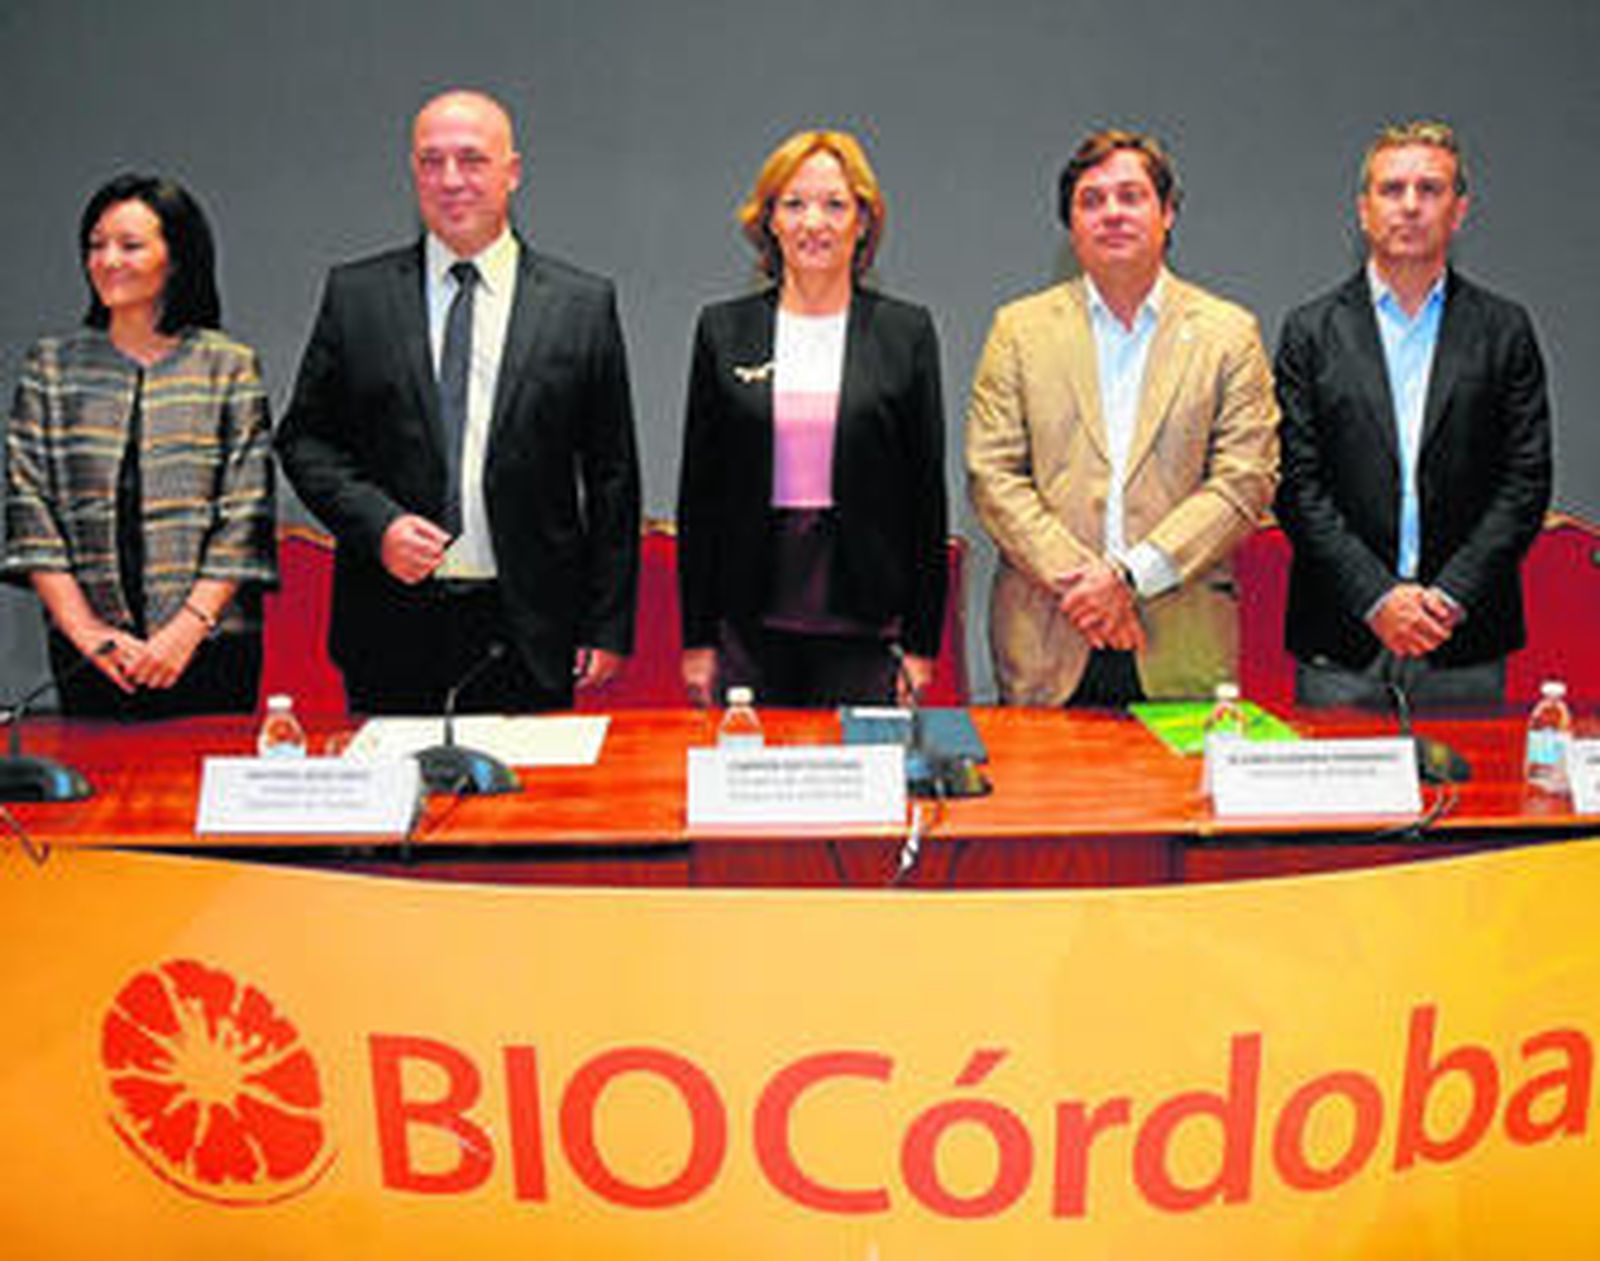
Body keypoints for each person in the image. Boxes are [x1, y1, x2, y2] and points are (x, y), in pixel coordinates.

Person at [276, 89, 641, 714]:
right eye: (430, 161)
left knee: (526, 809)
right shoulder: (357, 296)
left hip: (530, 631)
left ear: (513, 172)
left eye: (471, 159)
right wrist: (378, 522)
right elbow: (304, 440)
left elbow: (612, 477)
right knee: (398, 806)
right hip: (389, 625)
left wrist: (604, 626)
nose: (450, 180)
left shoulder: (580, 305)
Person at [966, 129, 1278, 706]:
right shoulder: (1019, 331)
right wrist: (1085, 590)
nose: (1112, 213)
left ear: (1168, 213)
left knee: (1183, 800)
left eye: (1131, 196)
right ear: (1071, 225)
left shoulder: (1228, 334)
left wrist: (1128, 578)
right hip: (1048, 642)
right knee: (1049, 800)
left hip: (1182, 645)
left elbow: (1244, 483)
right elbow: (993, 476)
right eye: (1091, 200)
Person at [1275, 120, 1552, 709]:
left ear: (1459, 211)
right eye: (1391, 189)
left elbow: (1525, 483)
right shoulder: (1310, 332)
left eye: (1430, 190)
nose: (1409, 206)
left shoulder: (1504, 330)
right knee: (1342, 805)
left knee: (1474, 802)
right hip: (1342, 639)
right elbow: (1297, 486)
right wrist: (1379, 599)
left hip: (1463, 638)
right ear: (1363, 210)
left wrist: (1448, 597)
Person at [676, 129, 947, 707]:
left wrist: (923, 643)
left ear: (864, 221)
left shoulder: (906, 333)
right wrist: (696, 637)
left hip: (868, 623)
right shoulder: (723, 331)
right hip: (749, 618)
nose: (813, 223)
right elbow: (699, 498)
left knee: (862, 791)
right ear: (768, 220)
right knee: (754, 790)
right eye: (793, 204)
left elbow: (926, 498)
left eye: (834, 205)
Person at [3, 174, 276, 718]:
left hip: (211, 647)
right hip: (93, 654)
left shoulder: (226, 365)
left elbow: (244, 514)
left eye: (130, 246)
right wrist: (87, 632)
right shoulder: (53, 367)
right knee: (94, 798)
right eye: (96, 245)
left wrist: (185, 631)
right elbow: (30, 509)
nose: (108, 260)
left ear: (175, 258)